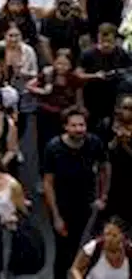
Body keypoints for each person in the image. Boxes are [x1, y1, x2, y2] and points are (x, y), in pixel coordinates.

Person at [44, 107, 108, 279]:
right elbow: (48, 183)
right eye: (74, 125)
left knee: (84, 249)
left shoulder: (95, 143)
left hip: (86, 204)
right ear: (65, 127)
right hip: (62, 205)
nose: (79, 129)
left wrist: (103, 195)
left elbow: (105, 168)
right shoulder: (53, 148)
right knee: (63, 250)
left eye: (82, 125)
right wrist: (56, 216)